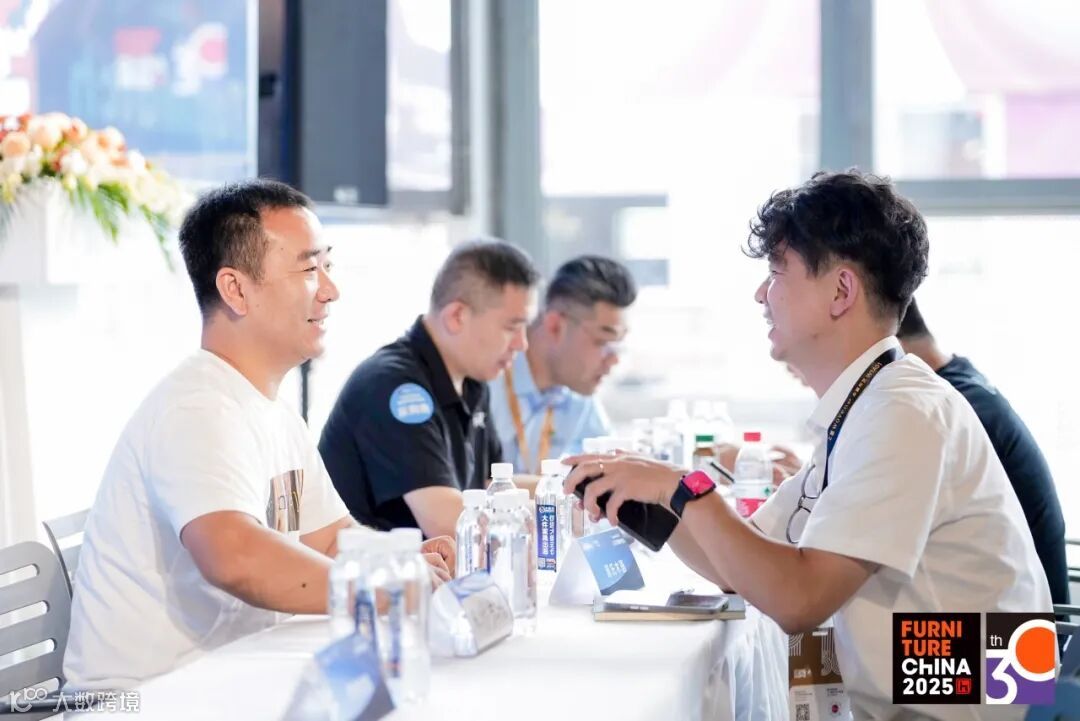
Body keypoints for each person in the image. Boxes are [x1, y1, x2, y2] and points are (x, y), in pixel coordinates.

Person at [565, 170, 1052, 721]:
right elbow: (741, 565)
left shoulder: (903, 411)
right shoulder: (866, 402)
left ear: (841, 291)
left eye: (777, 272)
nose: (761, 294)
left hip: (972, 700)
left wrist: (686, 488)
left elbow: (799, 600)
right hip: (932, 690)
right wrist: (650, 500)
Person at [63, 180, 454, 691]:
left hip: (228, 680)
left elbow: (329, 539)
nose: (331, 290)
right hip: (143, 698)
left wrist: (399, 560)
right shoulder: (195, 409)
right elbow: (235, 556)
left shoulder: (270, 408)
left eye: (328, 266)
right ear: (236, 289)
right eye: (309, 269)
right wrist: (372, 586)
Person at [319, 239, 539, 539]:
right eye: (512, 327)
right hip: (373, 566)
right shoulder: (394, 386)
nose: (522, 344)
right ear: (457, 317)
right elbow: (447, 521)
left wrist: (571, 489)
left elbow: (492, 484)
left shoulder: (472, 381)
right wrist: (546, 516)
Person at [898, 298, 1070, 607]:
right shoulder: (963, 382)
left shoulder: (953, 412)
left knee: (872, 625)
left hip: (1021, 628)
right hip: (1017, 611)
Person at [487, 255, 635, 474]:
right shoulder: (487, 378)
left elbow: (610, 472)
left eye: (617, 346)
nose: (614, 360)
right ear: (555, 326)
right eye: (602, 342)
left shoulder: (580, 395)